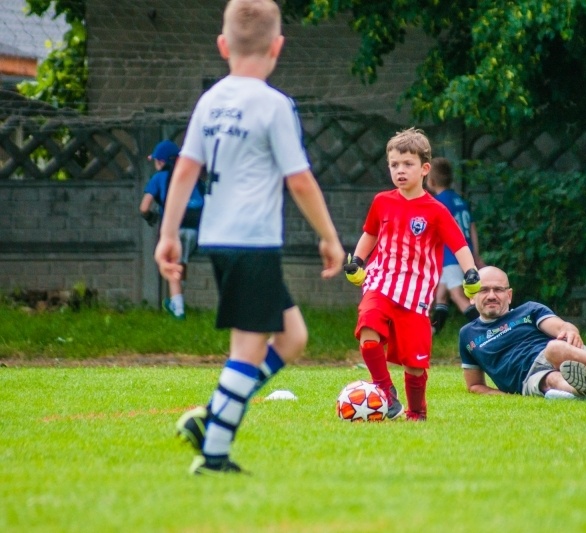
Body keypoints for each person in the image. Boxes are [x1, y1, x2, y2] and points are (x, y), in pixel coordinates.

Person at [155, 0, 345, 475]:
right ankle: (214, 454)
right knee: (249, 348)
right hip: (252, 243)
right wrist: (329, 237)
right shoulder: (274, 104)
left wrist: (169, 233)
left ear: (223, 45)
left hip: (221, 240)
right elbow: (299, 180)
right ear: (278, 46)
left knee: (294, 336)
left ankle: (216, 416)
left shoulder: (210, 101)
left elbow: (185, 171)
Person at [343, 128, 481, 421]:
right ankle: (385, 393)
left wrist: (470, 273)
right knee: (368, 331)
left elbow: (459, 243)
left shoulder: (436, 210)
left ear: (425, 169)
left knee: (415, 364)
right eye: (394, 164)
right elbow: (370, 234)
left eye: (407, 164)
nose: (400, 170)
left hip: (416, 294)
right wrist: (357, 260)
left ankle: (416, 413)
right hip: (380, 281)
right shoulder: (382, 201)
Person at [459, 266, 586, 401]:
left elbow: (560, 327)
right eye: (484, 290)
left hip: (559, 354)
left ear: (509, 295)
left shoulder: (529, 310)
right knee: (553, 380)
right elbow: (475, 385)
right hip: (529, 379)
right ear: (471, 296)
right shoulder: (467, 335)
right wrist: (506, 396)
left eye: (498, 290)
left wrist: (570, 330)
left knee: (555, 347)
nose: (492, 296)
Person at [139, 139, 205, 319]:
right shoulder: (190, 176)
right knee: (182, 263)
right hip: (195, 229)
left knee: (172, 264)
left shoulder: (159, 178)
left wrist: (150, 216)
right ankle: (177, 298)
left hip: (176, 228)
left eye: (155, 161)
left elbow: (144, 207)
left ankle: (178, 309)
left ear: (161, 161)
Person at [426, 157, 484, 334]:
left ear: (432, 181)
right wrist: (475, 253)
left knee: (458, 295)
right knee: (441, 296)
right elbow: (471, 227)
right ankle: (433, 331)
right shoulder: (460, 200)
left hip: (451, 256)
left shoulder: (439, 203)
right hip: (462, 254)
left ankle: (486, 330)